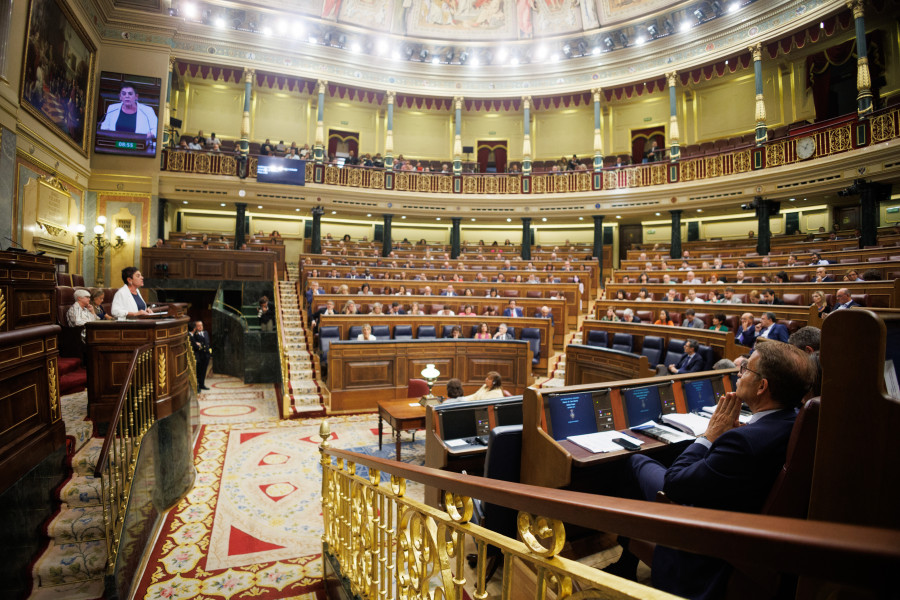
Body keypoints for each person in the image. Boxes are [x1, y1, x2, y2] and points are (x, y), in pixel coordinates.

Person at [619, 341, 815, 598]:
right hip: (752, 526)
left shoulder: (744, 443)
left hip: (709, 540)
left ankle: (624, 565)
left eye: (745, 369)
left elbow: (674, 484)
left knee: (636, 462)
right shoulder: (796, 422)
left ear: (762, 386)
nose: (739, 373)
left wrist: (709, 436)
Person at [191, 320, 212, 390]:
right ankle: (197, 386)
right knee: (198, 371)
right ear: (195, 327)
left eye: (201, 325)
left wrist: (209, 353)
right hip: (199, 356)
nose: (200, 327)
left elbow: (208, 343)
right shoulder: (194, 335)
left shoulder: (205, 333)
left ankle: (202, 384)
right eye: (198, 326)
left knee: (204, 371)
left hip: (206, 355)